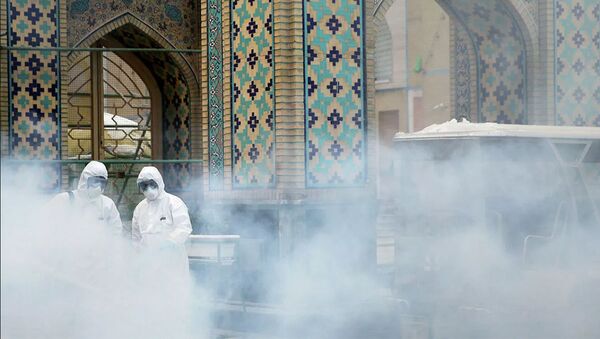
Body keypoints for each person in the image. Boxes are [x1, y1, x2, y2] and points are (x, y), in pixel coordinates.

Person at [131, 166, 192, 270]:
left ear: (159, 182)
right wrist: (138, 257)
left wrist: (169, 243)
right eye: (144, 186)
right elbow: (136, 237)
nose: (148, 189)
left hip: (172, 262)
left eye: (152, 184)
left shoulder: (174, 203)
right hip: (149, 263)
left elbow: (184, 228)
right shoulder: (140, 208)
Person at [49, 160, 122, 232]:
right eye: (95, 182)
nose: (98, 187)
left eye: (102, 183)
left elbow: (116, 233)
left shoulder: (107, 205)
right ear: (85, 179)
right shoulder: (65, 200)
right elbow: (45, 224)